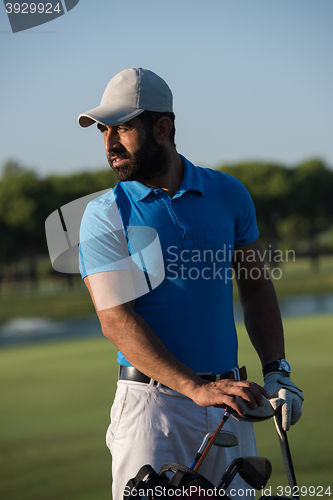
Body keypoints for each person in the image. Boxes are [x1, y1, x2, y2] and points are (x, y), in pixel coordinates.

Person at [77, 68, 304, 500]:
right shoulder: (104, 214)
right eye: (104, 130)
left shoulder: (229, 193)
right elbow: (116, 321)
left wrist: (277, 370)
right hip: (152, 411)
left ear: (162, 128)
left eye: (122, 128)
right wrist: (194, 388)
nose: (109, 143)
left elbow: (256, 287)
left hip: (231, 404)